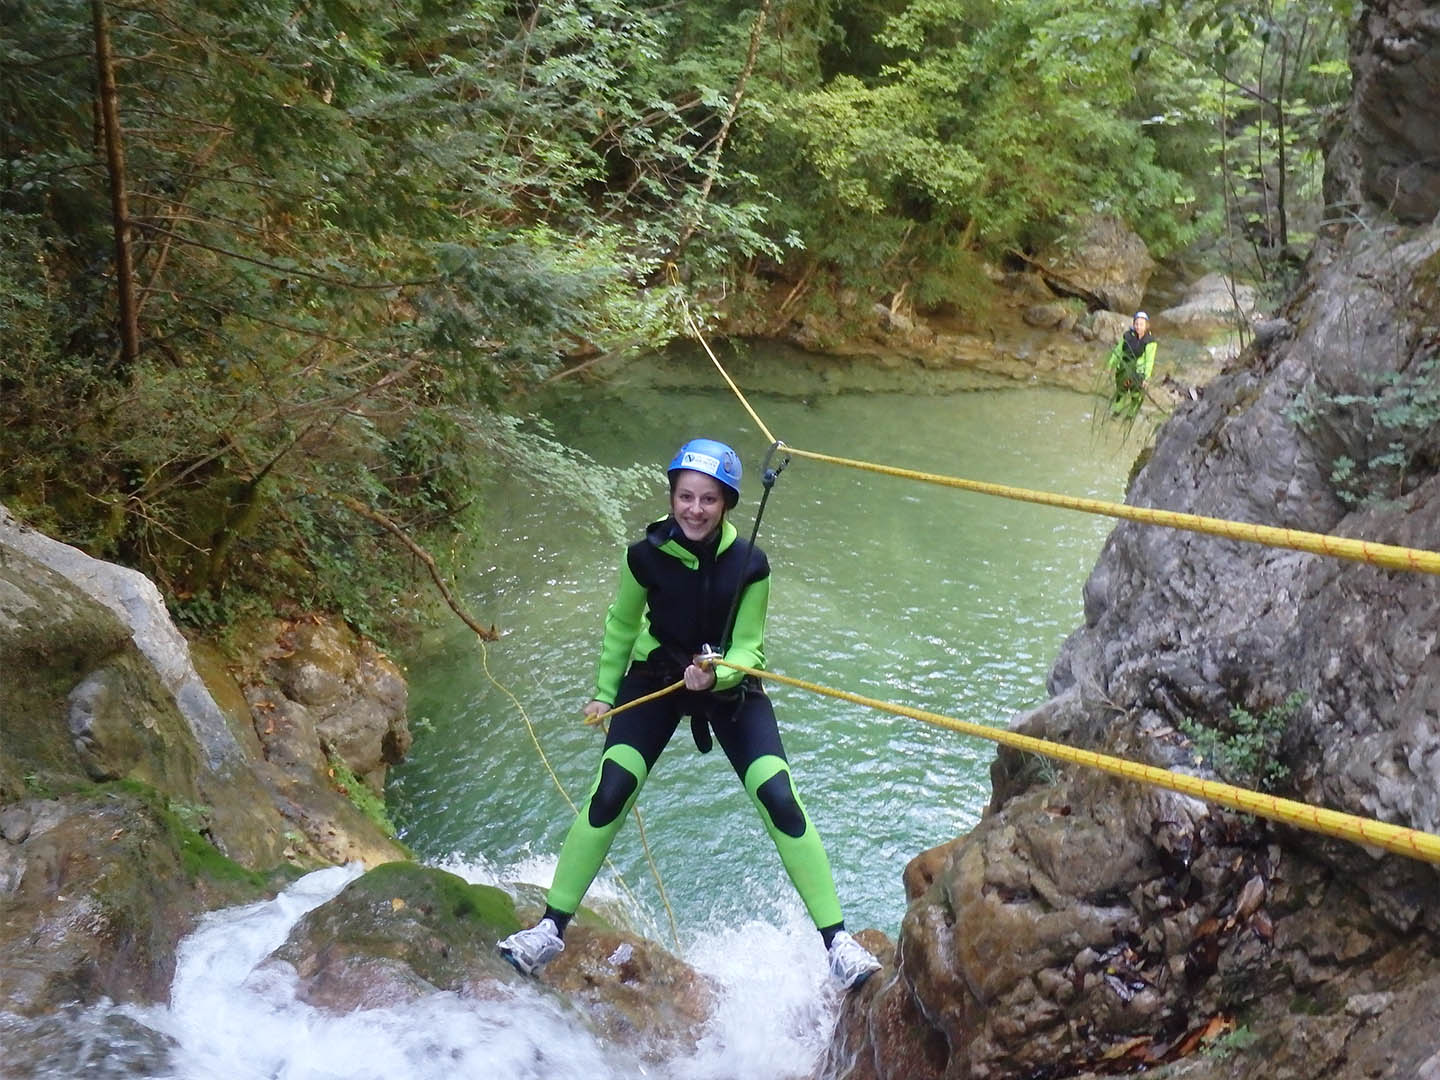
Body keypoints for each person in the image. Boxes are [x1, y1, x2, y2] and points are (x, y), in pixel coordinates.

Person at [498, 437, 882, 990]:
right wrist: (606, 693)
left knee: (779, 797)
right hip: (656, 678)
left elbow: (750, 647)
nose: (694, 509)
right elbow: (622, 625)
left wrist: (718, 673)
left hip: (727, 688)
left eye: (707, 499)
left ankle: (837, 944)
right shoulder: (644, 556)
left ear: (725, 503)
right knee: (610, 791)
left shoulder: (752, 565)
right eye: (685, 496)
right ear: (673, 497)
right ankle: (548, 930)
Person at [1105, 310, 1158, 419]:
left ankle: (1130, 415)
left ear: (1146, 326)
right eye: (1136, 324)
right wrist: (1110, 364)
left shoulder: (1150, 342)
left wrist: (1146, 378)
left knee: (1136, 395)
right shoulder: (1127, 336)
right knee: (1121, 391)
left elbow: (1149, 361)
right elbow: (1118, 351)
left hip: (1138, 373)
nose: (1138, 327)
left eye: (1141, 324)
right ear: (1133, 324)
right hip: (1124, 369)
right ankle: (1117, 412)